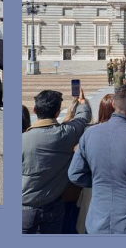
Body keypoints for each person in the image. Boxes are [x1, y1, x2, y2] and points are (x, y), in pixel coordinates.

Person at [69, 84, 126, 234]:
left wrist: (99, 181)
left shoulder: (90, 134)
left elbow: (75, 174)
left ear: (113, 104)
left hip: (98, 216)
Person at [22, 87, 92, 233]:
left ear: (35, 110)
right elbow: (83, 118)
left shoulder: (23, 138)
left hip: (24, 207)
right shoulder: (66, 134)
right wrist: (82, 102)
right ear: (58, 112)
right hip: (53, 205)